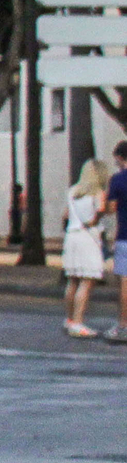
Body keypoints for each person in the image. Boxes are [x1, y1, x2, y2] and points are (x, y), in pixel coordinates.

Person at [63, 159, 107, 338]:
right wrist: (94, 220)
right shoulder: (98, 193)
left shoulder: (73, 191)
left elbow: (65, 214)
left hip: (71, 235)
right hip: (87, 237)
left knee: (72, 280)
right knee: (87, 280)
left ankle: (70, 319)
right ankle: (79, 322)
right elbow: (101, 210)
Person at [104, 142, 127, 343]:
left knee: (125, 284)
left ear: (120, 157)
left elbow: (110, 208)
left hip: (125, 236)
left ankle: (124, 325)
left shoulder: (117, 180)